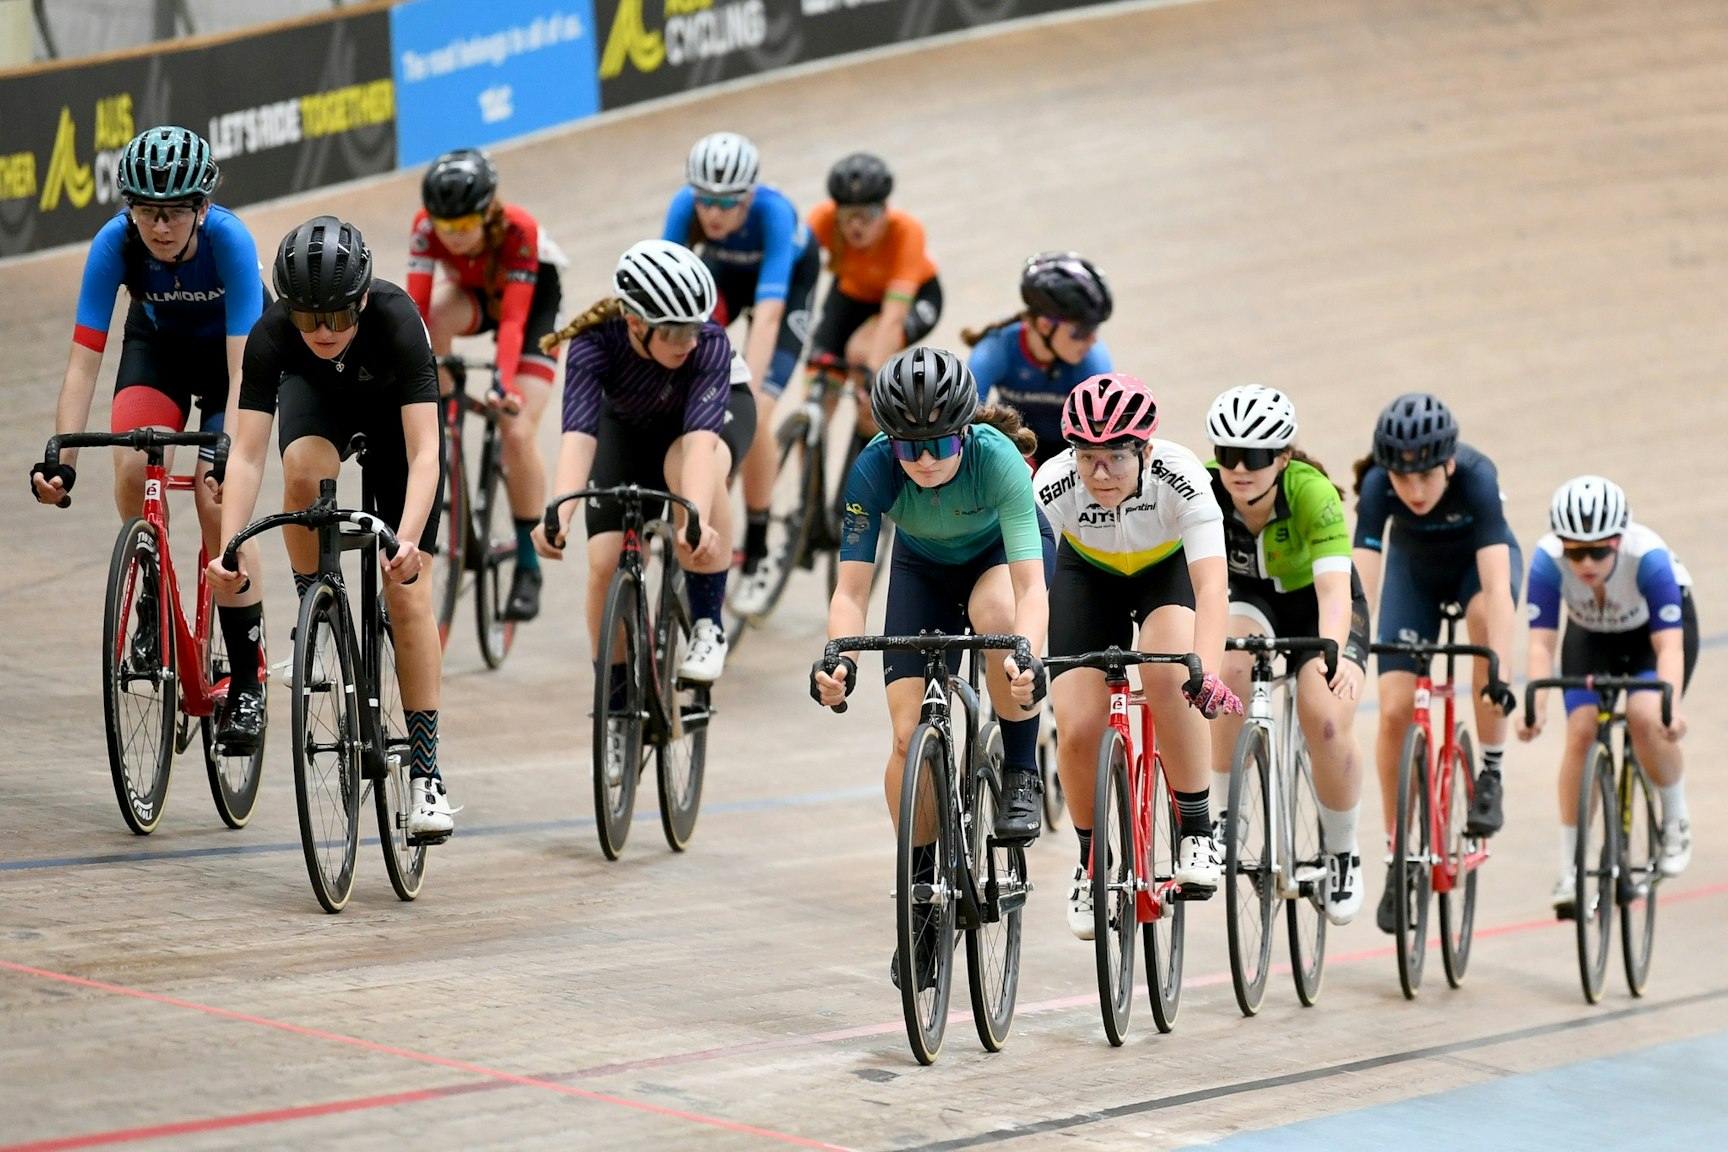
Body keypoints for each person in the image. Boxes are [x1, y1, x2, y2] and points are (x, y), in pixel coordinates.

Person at [207, 216, 455, 839]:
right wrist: (230, 543)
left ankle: (426, 775)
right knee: (301, 471)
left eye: (338, 318)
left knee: (407, 592)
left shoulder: (398, 320)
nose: (322, 331)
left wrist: (409, 541)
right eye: (308, 318)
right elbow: (245, 454)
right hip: (322, 410)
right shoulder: (273, 334)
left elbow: (426, 450)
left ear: (363, 300)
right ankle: (316, 603)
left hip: (398, 426)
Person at [810, 346, 1046, 987]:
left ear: (964, 432)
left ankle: (1022, 769)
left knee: (998, 617)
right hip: (921, 571)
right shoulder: (873, 470)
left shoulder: (999, 463)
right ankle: (920, 896)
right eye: (906, 447)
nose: (922, 461)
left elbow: (1031, 589)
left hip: (997, 561)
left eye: (937, 445)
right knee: (905, 735)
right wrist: (839, 661)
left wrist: (1029, 654)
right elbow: (851, 592)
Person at [30, 125, 268, 751]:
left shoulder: (230, 242)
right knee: (134, 465)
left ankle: (247, 682)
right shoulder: (115, 243)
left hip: (232, 363)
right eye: (144, 211)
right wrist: (63, 460)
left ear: (201, 208)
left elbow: (245, 370)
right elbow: (84, 362)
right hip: (157, 348)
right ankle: (150, 597)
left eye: (172, 213)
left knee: (218, 497)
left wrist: (229, 448)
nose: (158, 227)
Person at [1034, 373, 1241, 939]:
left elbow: (1212, 586)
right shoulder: (1052, 485)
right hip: (1087, 577)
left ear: (1145, 451)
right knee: (1077, 727)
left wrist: (1207, 670)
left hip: (1163, 575)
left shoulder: (1184, 478)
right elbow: (1026, 584)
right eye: (1087, 457)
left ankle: (1197, 827)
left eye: (1116, 459)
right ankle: (1090, 861)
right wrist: (1024, 657)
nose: (1099, 474)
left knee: (1168, 664)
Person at [534, 240, 755, 730]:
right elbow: (578, 436)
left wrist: (690, 518)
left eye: (694, 326)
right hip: (631, 428)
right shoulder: (595, 341)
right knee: (603, 560)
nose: (688, 341)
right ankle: (614, 707)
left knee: (689, 475)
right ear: (635, 322)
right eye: (676, 330)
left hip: (709, 423)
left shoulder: (709, 344)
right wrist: (560, 512)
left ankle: (707, 625)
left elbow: (698, 445)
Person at [1350, 393, 1518, 934]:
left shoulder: (1477, 477)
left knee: (1483, 631)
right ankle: (1398, 855)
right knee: (1395, 710)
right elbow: (1360, 584)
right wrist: (1349, 648)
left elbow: (1497, 588)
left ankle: (1489, 771)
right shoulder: (1377, 487)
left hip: (1475, 575)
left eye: (1425, 476)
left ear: (1447, 464)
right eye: (1403, 478)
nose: (1415, 491)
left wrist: (1502, 670)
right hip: (1414, 580)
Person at [1203, 385, 1371, 924]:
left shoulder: (1311, 493)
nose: (1237, 469)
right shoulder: (1205, 488)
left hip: (1317, 606)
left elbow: (1333, 593)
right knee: (1228, 668)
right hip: (1250, 600)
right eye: (1225, 455)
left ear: (1281, 458)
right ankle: (1230, 814)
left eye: (1251, 458)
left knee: (1325, 721)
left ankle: (1342, 852)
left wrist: (1336, 654)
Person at [1518, 476, 1696, 912]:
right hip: (1591, 637)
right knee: (1579, 733)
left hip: (1650, 640)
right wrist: (1536, 707)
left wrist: (1670, 708)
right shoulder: (1546, 561)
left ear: (1619, 541)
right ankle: (1570, 869)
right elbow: (1541, 643)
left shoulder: (1649, 559)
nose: (1586, 562)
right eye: (1575, 551)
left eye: (1599, 550)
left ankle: (1675, 820)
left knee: (1644, 715)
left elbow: (1669, 647)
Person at [663, 132, 819, 615]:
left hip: (784, 290)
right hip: (724, 279)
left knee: (755, 414)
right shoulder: (682, 208)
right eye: (704, 199)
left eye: (725, 202)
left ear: (747, 197)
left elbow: (769, 316)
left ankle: (755, 545)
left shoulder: (774, 214)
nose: (712, 212)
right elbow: (665, 286)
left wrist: (745, 393)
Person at [408, 148, 564, 622]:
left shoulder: (519, 229)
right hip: (475, 295)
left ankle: (528, 563)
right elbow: (415, 307)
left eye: (463, 227)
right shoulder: (425, 226)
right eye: (443, 228)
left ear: (489, 210)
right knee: (432, 323)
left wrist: (502, 382)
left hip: (532, 303)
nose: (451, 238)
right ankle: (447, 416)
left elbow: (514, 321)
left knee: (517, 431)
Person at [805, 153, 942, 467]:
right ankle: (808, 502)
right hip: (851, 296)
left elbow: (894, 315)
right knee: (817, 393)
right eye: (847, 215)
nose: (856, 225)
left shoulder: (907, 230)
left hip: (912, 298)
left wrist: (871, 375)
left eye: (866, 214)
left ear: (885, 210)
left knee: (861, 358)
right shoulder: (822, 220)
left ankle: (867, 465)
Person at [963, 252, 1114, 467]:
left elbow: (1105, 441)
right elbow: (965, 421)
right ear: (1045, 325)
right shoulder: (996, 348)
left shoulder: (1093, 362)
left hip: (1072, 447)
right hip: (1016, 441)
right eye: (1082, 330)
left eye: (1095, 327)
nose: (1093, 339)